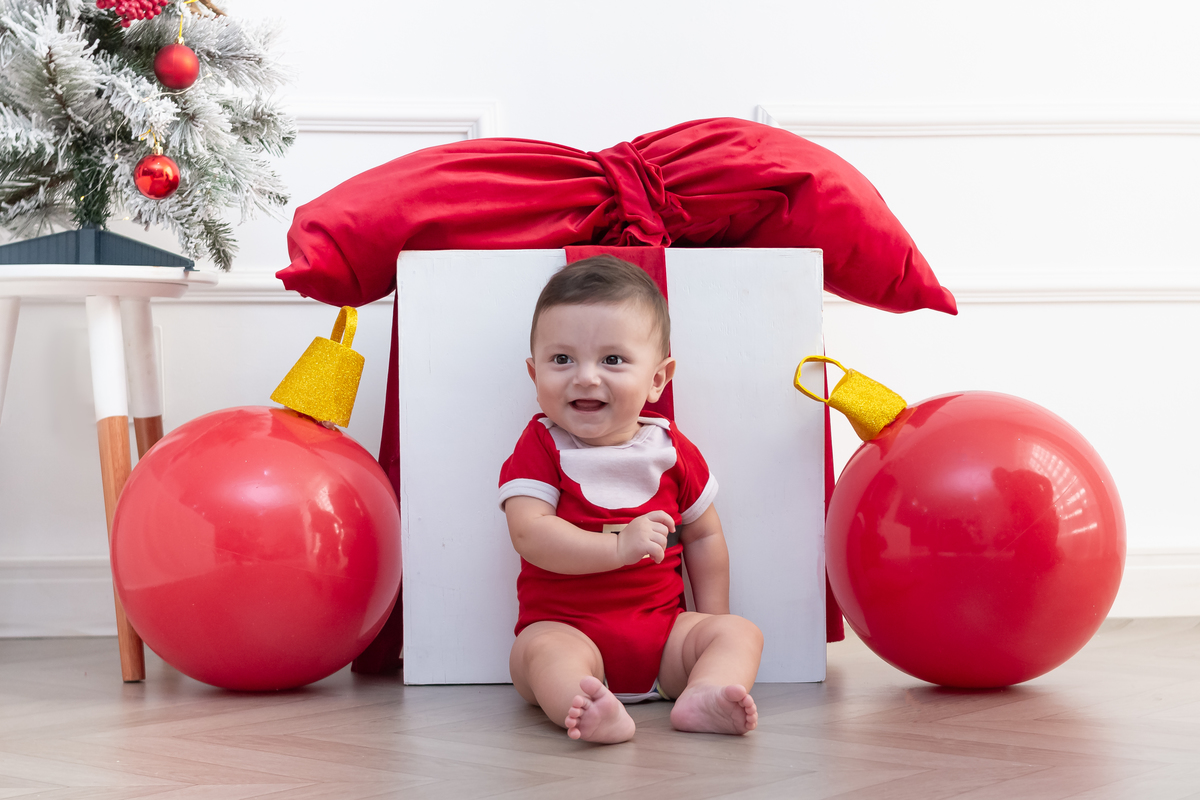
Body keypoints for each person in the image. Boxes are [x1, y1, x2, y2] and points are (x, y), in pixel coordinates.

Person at [498, 255, 764, 744]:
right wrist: (617, 548)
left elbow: (704, 537)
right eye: (562, 360)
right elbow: (529, 532)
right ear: (534, 375)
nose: (585, 377)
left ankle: (704, 693)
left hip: (664, 639)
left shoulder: (671, 450)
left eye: (612, 360)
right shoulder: (541, 445)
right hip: (568, 629)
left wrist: (712, 618)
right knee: (540, 655)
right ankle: (586, 707)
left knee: (740, 634)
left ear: (659, 379)